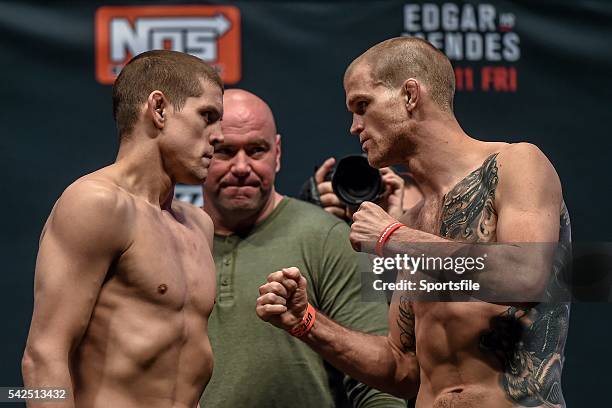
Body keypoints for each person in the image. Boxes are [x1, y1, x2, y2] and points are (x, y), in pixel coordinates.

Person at [257, 37, 570, 407]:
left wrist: (392, 236)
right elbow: (403, 370)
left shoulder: (515, 164)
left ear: (409, 96)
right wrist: (307, 322)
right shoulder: (412, 219)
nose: (354, 127)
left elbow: (525, 274)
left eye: (362, 105)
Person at [22, 50, 223, 408]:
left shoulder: (198, 225)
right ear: (158, 109)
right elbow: (42, 355)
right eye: (207, 116)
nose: (218, 136)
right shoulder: (96, 204)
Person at [200, 88, 406, 408]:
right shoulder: (171, 238)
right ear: (201, 150)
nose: (241, 167)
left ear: (277, 153)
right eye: (225, 150)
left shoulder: (335, 238)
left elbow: (380, 382)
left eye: (257, 150)